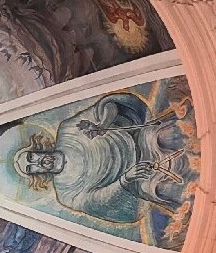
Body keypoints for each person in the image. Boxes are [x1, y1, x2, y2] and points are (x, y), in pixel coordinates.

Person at [13, 92, 186, 223]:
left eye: (32, 157)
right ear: (34, 175)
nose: (38, 162)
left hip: (140, 139)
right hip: (140, 179)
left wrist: (103, 124)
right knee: (168, 189)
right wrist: (126, 178)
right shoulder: (66, 194)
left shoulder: (68, 129)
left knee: (167, 135)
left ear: (36, 148)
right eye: (31, 167)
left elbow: (109, 105)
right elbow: (99, 201)